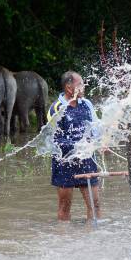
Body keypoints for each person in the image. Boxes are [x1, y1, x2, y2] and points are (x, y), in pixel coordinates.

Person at [47, 71, 101, 221]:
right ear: (69, 88)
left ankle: (94, 239)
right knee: (65, 206)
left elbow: (96, 129)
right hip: (64, 162)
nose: (83, 87)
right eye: (80, 84)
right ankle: (64, 240)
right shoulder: (56, 108)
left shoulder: (87, 104)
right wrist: (78, 145)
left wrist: (102, 143)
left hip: (87, 160)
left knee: (95, 205)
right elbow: (53, 140)